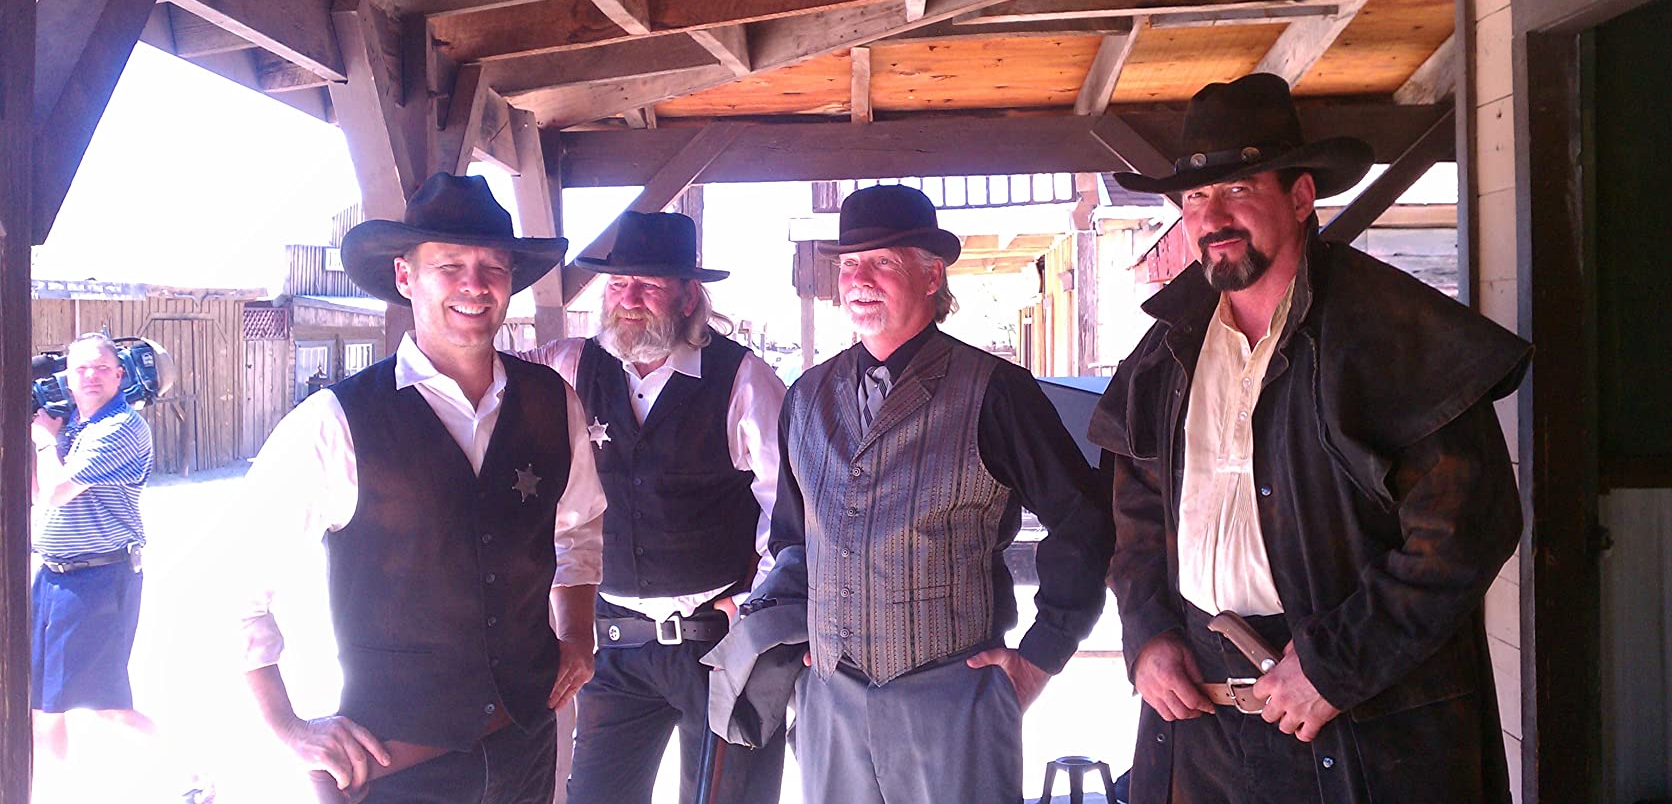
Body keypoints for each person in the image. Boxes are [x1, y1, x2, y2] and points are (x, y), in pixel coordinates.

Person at [1090, 73, 1531, 803]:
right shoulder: (1168, 348)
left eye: (1238, 189)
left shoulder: (1391, 332)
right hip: (1202, 718)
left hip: (1365, 716)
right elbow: (1135, 511)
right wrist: (1147, 634)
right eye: (1195, 198)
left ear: (1300, 197)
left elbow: (1465, 528)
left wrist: (1335, 664)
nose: (1212, 216)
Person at [232, 172, 607, 803]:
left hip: (525, 745)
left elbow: (579, 527)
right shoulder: (337, 420)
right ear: (406, 277)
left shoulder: (553, 402)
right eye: (450, 266)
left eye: (493, 266)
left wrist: (577, 631)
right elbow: (236, 580)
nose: (474, 284)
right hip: (398, 765)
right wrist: (287, 727)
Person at [765, 184, 1116, 804]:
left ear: (932, 276)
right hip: (829, 701)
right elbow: (795, 542)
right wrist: (793, 643)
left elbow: (1083, 520)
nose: (858, 280)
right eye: (849, 264)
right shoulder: (806, 397)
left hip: (955, 696)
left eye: (882, 262)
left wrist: (1043, 654)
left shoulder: (995, 390)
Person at [523, 209, 786, 804]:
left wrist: (757, 601)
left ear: (689, 295)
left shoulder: (742, 378)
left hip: (721, 648)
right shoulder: (570, 365)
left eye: (649, 284)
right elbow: (484, 380)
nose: (629, 298)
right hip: (613, 647)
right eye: (618, 283)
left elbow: (790, 508)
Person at [29, 333, 159, 796]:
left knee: (105, 705)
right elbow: (37, 495)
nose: (90, 377)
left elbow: (56, 492)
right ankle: (57, 792)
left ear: (119, 375)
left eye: (101, 368)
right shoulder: (77, 427)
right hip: (54, 577)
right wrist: (44, 437)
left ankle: (191, 773)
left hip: (99, 577)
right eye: (80, 369)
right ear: (67, 376)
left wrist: (44, 440)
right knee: (42, 704)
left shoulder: (121, 427)